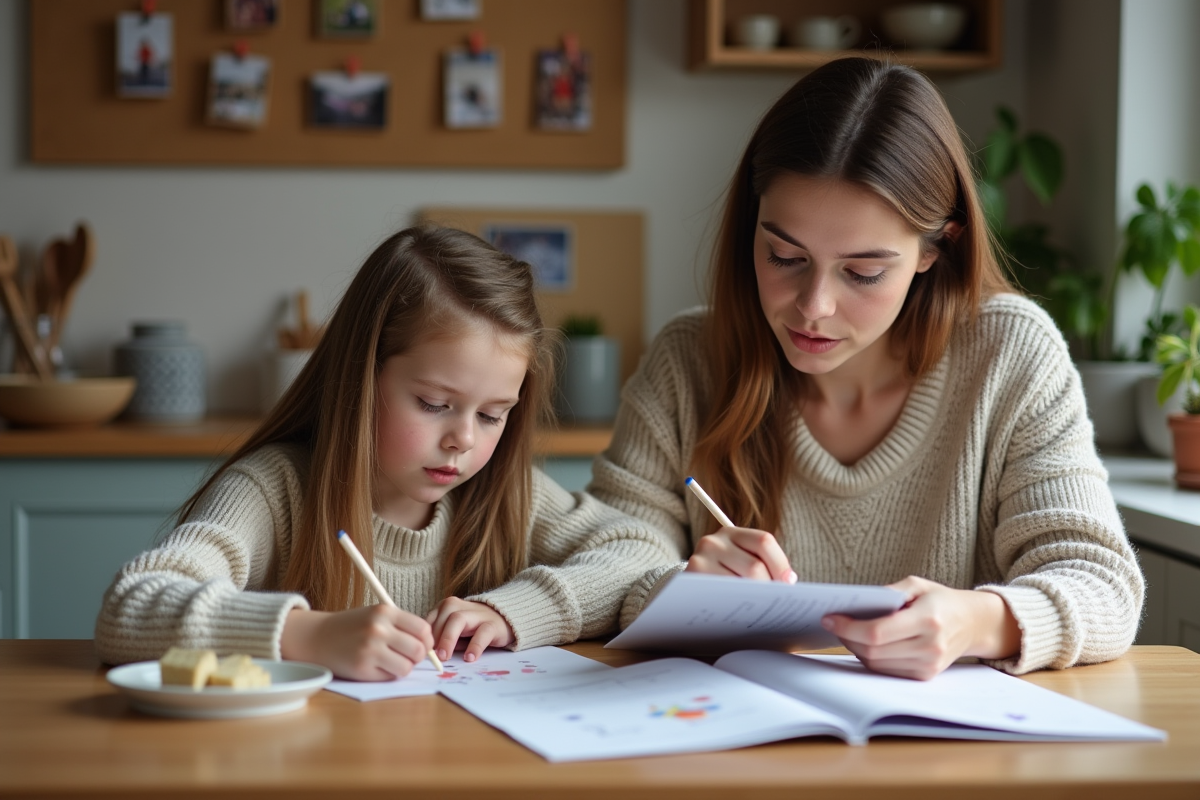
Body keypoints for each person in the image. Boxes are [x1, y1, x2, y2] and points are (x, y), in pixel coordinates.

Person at [592, 57, 1143, 681]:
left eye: (863, 272)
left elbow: (1101, 584)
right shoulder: (688, 360)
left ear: (935, 248)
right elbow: (606, 556)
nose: (814, 306)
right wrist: (679, 591)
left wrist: (976, 621)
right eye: (784, 255)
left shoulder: (1010, 355)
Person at [95, 224, 676, 680]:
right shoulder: (273, 490)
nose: (464, 439)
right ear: (360, 377)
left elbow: (643, 550)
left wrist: (513, 611)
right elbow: (130, 607)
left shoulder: (504, 496)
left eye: (492, 414)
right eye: (433, 403)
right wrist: (306, 635)